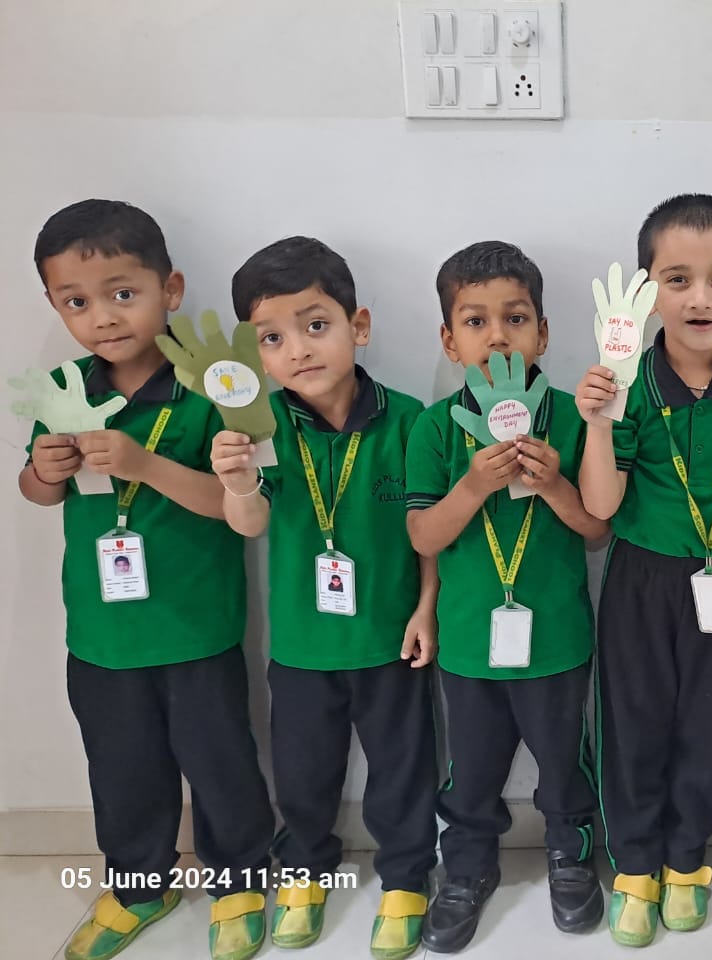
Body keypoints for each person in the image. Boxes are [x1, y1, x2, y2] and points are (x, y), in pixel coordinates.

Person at [20, 199, 274, 960]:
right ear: (55, 306)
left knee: (222, 762)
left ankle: (239, 881)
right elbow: (38, 494)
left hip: (197, 627)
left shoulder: (213, 389)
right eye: (77, 301)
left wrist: (143, 466)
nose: (102, 317)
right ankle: (139, 882)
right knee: (122, 770)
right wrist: (42, 470)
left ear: (171, 288)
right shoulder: (62, 387)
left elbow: (232, 508)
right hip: (102, 635)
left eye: (122, 293)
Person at [575, 194, 712, 947]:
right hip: (642, 578)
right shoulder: (624, 375)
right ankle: (635, 863)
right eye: (677, 279)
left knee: (710, 722)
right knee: (634, 722)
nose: (700, 298)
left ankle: (685, 855)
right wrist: (599, 422)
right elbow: (600, 510)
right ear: (646, 293)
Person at [213, 236, 439, 960]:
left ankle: (407, 876)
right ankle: (306, 868)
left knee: (403, 767)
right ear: (257, 356)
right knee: (305, 770)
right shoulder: (262, 427)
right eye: (272, 338)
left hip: (391, 639)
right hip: (304, 647)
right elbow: (248, 524)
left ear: (358, 326)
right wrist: (239, 481)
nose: (298, 350)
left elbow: (430, 534)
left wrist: (426, 605)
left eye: (316, 325)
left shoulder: (409, 420)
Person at [406, 240, 606, 953]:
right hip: (466, 645)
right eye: (476, 322)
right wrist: (474, 484)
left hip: (555, 640)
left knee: (562, 760)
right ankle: (465, 867)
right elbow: (425, 535)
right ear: (449, 339)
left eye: (516, 319)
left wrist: (553, 483)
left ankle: (569, 852)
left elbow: (595, 531)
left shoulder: (573, 419)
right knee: (473, 767)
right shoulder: (434, 428)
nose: (498, 336)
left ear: (543, 333)